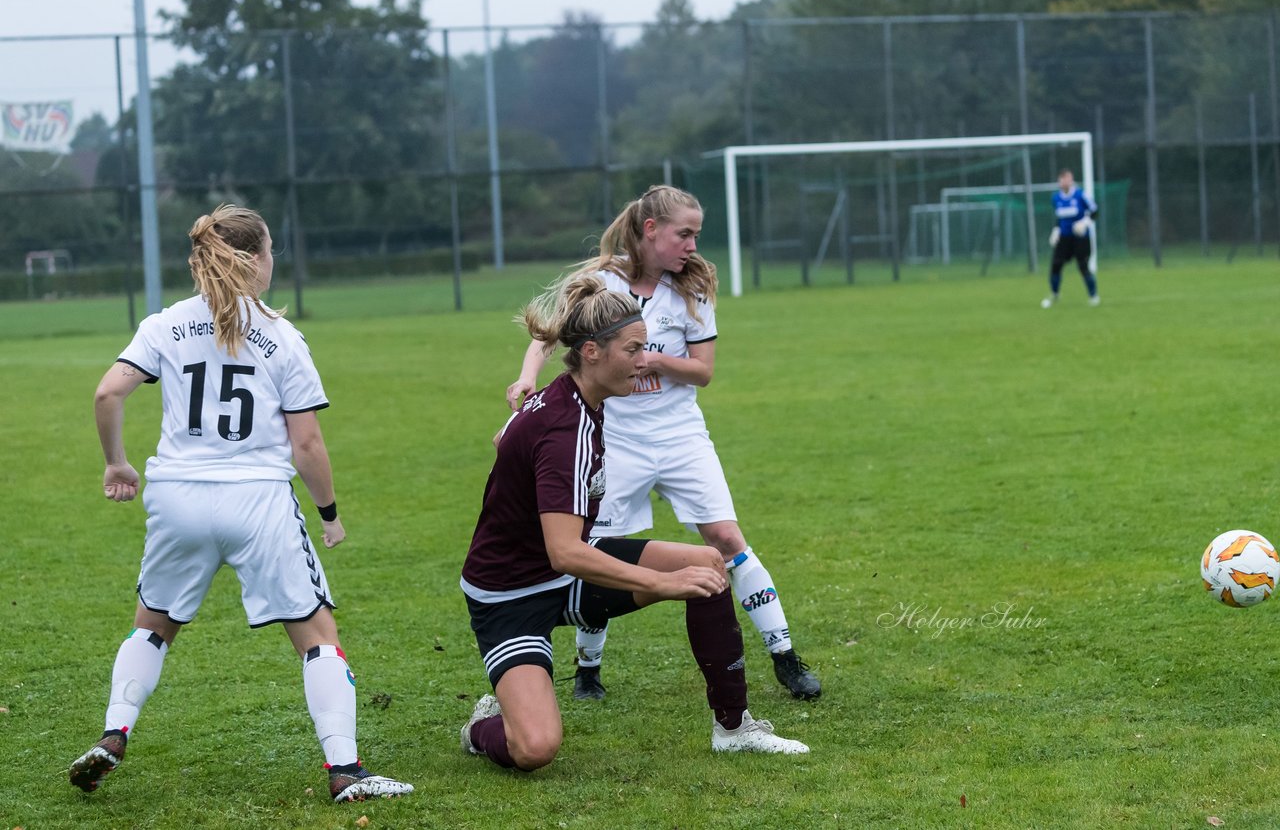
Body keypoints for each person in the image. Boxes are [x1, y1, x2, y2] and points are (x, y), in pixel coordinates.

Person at [68, 205, 413, 804]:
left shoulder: (165, 325)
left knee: (153, 627)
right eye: (272, 250)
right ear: (254, 260)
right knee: (317, 636)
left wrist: (117, 462)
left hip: (176, 496)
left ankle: (113, 734)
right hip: (257, 500)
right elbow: (306, 443)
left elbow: (108, 392)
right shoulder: (281, 335)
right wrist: (329, 515)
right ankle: (347, 772)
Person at [461, 273, 808, 770]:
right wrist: (663, 584)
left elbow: (509, 446)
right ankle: (480, 727)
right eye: (633, 349)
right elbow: (566, 552)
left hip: (564, 575)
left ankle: (734, 729)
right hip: (510, 594)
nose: (645, 361)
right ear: (592, 352)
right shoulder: (566, 429)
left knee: (707, 566)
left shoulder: (583, 399)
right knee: (535, 748)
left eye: (645, 347)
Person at [505, 186, 821, 702]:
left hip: (679, 437)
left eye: (696, 235)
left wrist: (656, 361)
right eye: (685, 234)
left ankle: (785, 655)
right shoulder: (600, 282)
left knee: (725, 537)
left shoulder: (691, 291)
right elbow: (550, 333)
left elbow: (703, 373)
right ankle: (587, 670)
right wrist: (525, 377)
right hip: (615, 437)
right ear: (651, 231)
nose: (693, 246)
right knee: (595, 546)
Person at [1041, 168, 1100, 308]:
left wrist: (1084, 223)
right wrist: (1056, 230)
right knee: (1056, 265)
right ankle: (1054, 294)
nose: (1065, 182)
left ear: (1071, 180)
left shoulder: (1080, 195)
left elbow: (1095, 211)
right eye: (1062, 179)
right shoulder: (1056, 198)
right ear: (1059, 181)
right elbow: (1059, 217)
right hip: (1064, 239)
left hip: (1080, 238)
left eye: (1068, 179)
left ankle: (1093, 296)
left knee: (1083, 266)